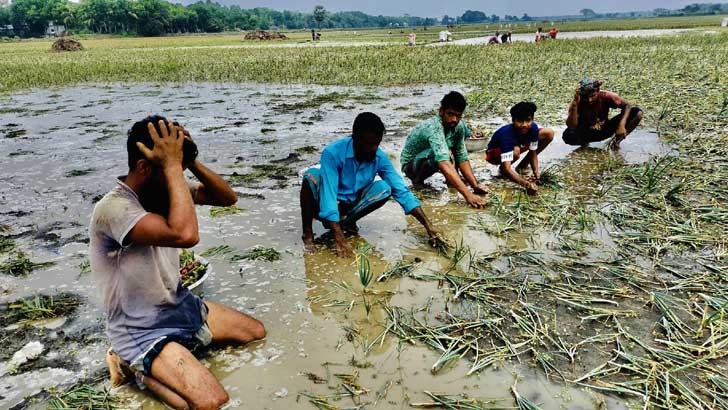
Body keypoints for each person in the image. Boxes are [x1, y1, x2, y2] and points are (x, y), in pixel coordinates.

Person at [91, 116, 266, 410]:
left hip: (179, 305)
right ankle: (128, 363)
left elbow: (227, 198)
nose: (179, 177)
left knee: (255, 333)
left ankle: (152, 363)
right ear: (145, 167)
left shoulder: (162, 189)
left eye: (180, 167)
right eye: (172, 167)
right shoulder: (115, 208)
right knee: (211, 402)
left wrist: (189, 160)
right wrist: (173, 166)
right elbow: (185, 235)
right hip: (140, 327)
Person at [300, 112, 440, 258]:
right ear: (355, 138)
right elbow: (328, 196)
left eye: (377, 143)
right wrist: (339, 238)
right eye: (369, 144)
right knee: (310, 177)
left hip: (349, 203)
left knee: (384, 189)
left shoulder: (378, 156)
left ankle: (346, 222)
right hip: (324, 201)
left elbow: (401, 190)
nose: (374, 149)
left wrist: (427, 224)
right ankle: (308, 233)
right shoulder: (333, 153)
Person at [400, 91, 489, 209]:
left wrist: (475, 186)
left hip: (432, 159)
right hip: (411, 166)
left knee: (450, 153)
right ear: (441, 111)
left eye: (458, 116)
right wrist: (468, 195)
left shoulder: (460, 126)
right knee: (440, 155)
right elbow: (443, 162)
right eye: (450, 114)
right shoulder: (434, 127)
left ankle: (452, 180)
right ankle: (418, 182)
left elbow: (462, 157)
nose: (454, 119)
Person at [486, 102, 554, 195]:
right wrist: (526, 184)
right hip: (494, 154)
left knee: (549, 133)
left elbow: (533, 152)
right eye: (520, 121)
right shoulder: (507, 135)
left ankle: (522, 166)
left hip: (519, 144)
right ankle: (501, 170)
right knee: (515, 152)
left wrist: (536, 174)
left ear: (532, 119)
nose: (524, 125)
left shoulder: (533, 128)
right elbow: (507, 168)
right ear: (513, 121)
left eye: (528, 120)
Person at [563, 78, 643, 148]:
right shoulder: (577, 102)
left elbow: (627, 105)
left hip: (604, 129)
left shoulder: (606, 96)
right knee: (568, 135)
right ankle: (584, 146)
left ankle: (616, 143)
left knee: (637, 113)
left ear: (598, 91)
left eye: (592, 96)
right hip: (585, 133)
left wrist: (621, 125)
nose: (589, 100)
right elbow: (572, 125)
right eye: (586, 97)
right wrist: (575, 105)